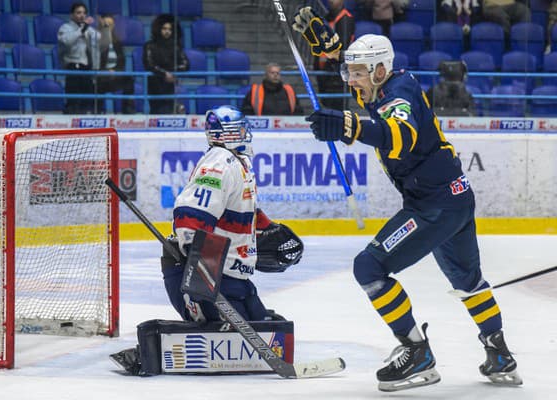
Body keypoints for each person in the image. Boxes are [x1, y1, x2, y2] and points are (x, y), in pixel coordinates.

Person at [292, 9, 522, 392]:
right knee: (468, 281)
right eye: (351, 72)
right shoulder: (380, 83)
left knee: (369, 267)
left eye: (359, 72)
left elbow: (401, 136)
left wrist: (348, 126)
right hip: (455, 198)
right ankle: (499, 352)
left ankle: (416, 351)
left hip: (433, 205)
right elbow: (354, 78)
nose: (352, 80)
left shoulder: (399, 93)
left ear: (381, 70)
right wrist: (332, 52)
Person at [162, 105, 303, 322]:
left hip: (234, 276)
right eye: (240, 129)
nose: (246, 134)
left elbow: (242, 210)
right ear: (230, 133)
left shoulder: (239, 162)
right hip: (214, 276)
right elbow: (191, 215)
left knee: (271, 327)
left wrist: (268, 228)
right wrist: (201, 267)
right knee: (247, 338)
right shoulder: (220, 162)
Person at [307, 1, 354, 110]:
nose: (331, 2)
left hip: (336, 70)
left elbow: (342, 45)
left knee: (336, 105)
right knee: (325, 103)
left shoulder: (345, 19)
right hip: (323, 68)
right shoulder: (327, 18)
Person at [57, 2, 104, 114]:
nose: (82, 15)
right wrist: (81, 31)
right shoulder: (65, 28)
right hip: (73, 66)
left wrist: (99, 26)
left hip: (86, 67)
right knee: (74, 99)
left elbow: (98, 38)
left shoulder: (87, 28)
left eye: (84, 13)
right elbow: (67, 41)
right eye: (78, 13)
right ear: (72, 15)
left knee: (89, 98)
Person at [142, 14, 189, 114]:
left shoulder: (175, 46)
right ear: (158, 29)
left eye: (170, 29)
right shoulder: (149, 45)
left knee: (169, 112)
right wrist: (164, 74)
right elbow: (149, 64)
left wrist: (171, 73)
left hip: (171, 85)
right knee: (157, 113)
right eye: (164, 28)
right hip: (155, 85)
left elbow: (186, 64)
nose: (167, 31)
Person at [95, 14, 136, 114]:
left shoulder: (118, 43)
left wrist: (115, 72)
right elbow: (94, 62)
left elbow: (122, 63)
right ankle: (97, 111)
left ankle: (127, 110)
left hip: (115, 75)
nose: (108, 26)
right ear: (101, 25)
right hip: (100, 76)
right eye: (105, 24)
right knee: (95, 83)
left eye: (110, 24)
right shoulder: (95, 42)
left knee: (129, 79)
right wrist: (105, 71)